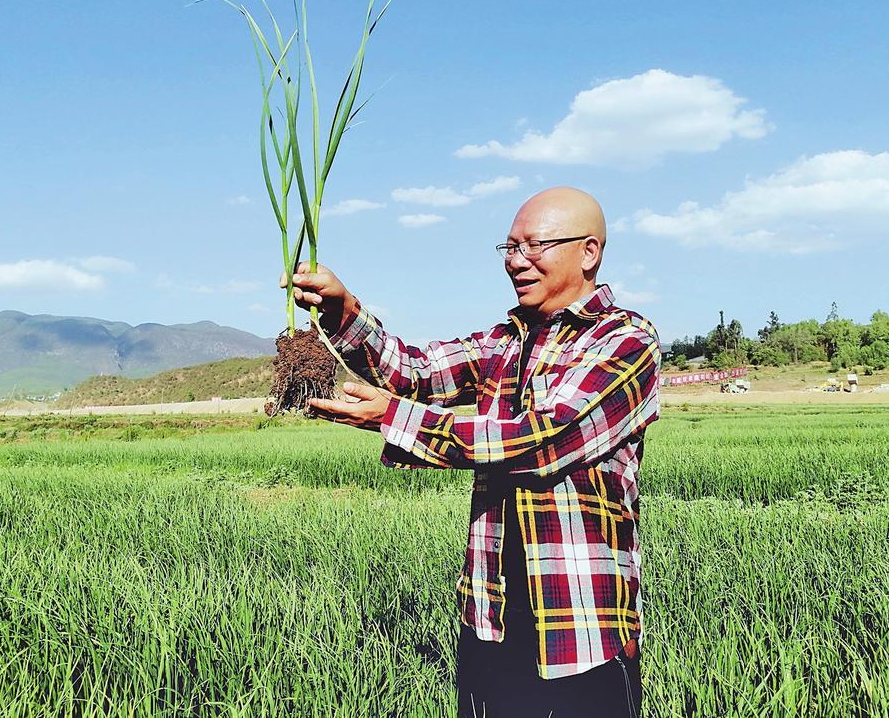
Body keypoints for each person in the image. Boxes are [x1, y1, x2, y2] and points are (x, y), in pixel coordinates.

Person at [279, 186, 660, 717]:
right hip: (491, 617)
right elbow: (411, 371)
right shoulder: (500, 344)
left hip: (581, 628)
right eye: (508, 247)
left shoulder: (626, 341)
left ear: (589, 252)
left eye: (533, 246)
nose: (516, 261)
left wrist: (391, 417)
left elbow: (541, 440)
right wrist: (343, 311)